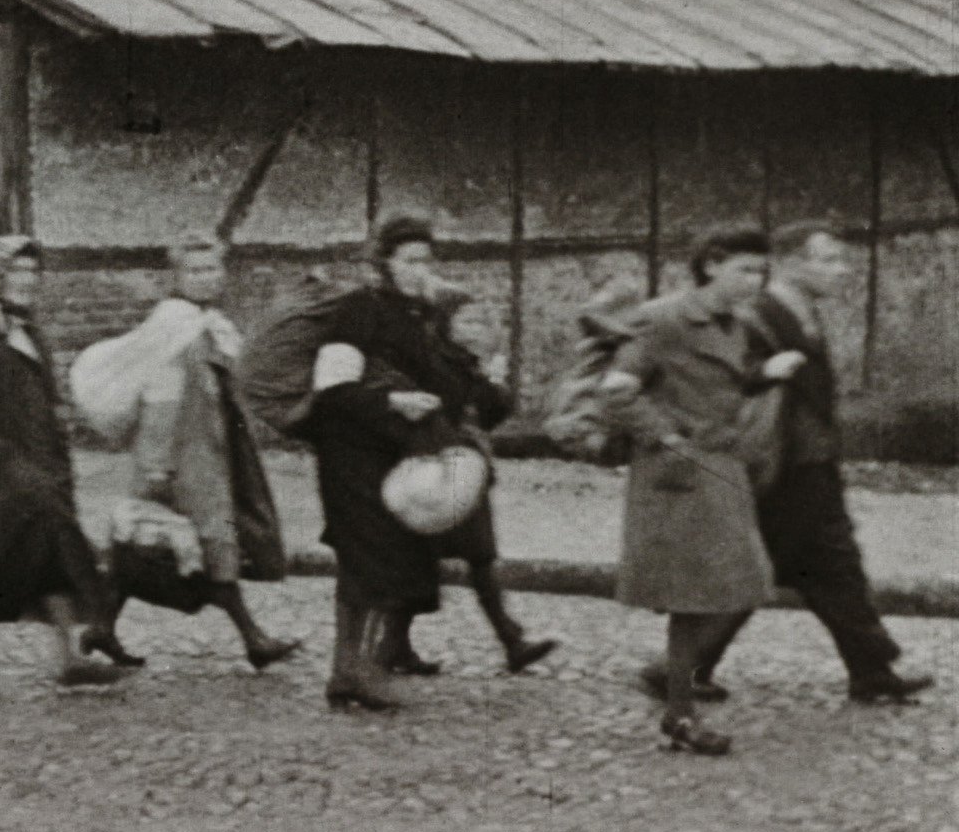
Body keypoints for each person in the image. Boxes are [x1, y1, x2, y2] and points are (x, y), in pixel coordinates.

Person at [640, 222, 932, 705]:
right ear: (795, 263)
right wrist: (764, 374)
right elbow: (720, 378)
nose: (843, 270)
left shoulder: (799, 310)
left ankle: (871, 671)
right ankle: (677, 669)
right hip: (780, 465)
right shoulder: (756, 314)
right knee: (783, 565)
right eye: (830, 259)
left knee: (829, 566)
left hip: (808, 461)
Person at [299, 217, 559, 710]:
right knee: (366, 561)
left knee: (384, 563)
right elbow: (333, 389)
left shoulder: (416, 315)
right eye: (409, 260)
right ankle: (352, 672)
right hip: (351, 452)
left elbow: (442, 386)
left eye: (426, 260)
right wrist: (393, 404)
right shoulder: (359, 310)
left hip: (395, 454)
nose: (420, 270)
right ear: (383, 264)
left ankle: (352, 672)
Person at [601, 228, 802, 753]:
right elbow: (617, 392)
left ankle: (677, 705)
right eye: (744, 270)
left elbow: (721, 385)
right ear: (711, 265)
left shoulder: (735, 325)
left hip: (719, 465)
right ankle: (680, 712)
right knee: (697, 595)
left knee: (726, 586)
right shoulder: (664, 318)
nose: (754, 282)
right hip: (682, 472)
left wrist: (763, 375)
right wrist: (666, 437)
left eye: (760, 272)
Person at [83, 233, 300, 671]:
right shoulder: (175, 327)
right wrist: (158, 469)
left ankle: (102, 626)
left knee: (147, 547)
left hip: (210, 449)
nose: (206, 278)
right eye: (195, 270)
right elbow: (161, 399)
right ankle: (254, 639)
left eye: (213, 268)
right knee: (205, 542)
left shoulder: (208, 323)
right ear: (177, 277)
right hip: (181, 457)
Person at [0, 236, 131, 698]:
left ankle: (69, 659)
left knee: (52, 557)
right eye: (15, 272)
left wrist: (56, 451)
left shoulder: (31, 330)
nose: (26, 282)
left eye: (32, 274)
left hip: (39, 464)